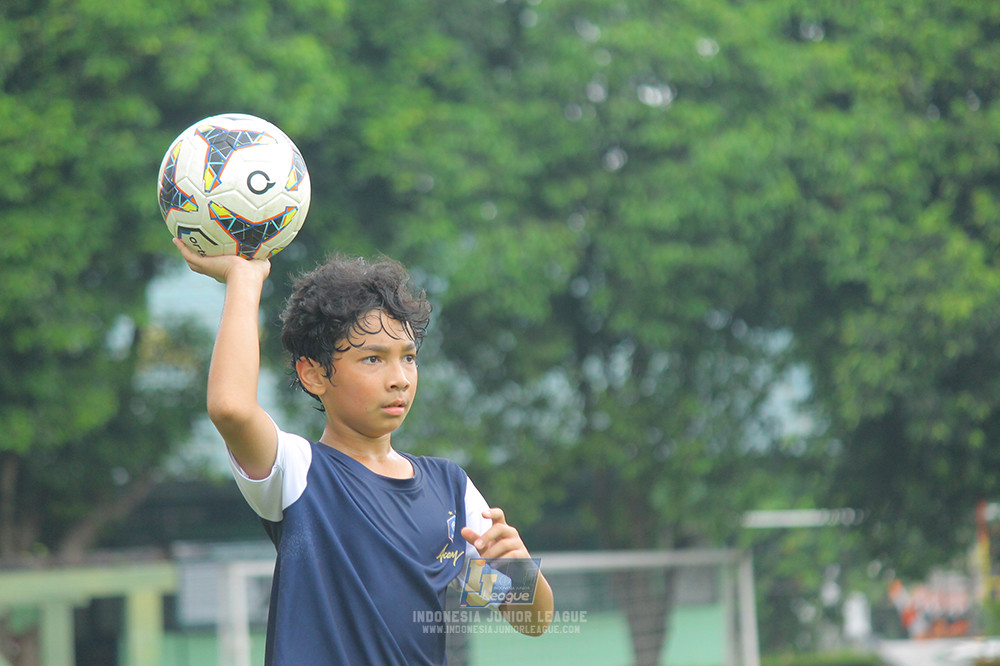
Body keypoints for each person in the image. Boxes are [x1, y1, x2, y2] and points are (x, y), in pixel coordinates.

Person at [173, 238, 554, 665]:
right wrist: (244, 278)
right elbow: (231, 408)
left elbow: (530, 619)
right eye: (373, 359)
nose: (399, 378)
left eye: (408, 358)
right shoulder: (298, 473)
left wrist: (518, 567)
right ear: (313, 374)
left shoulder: (450, 489)